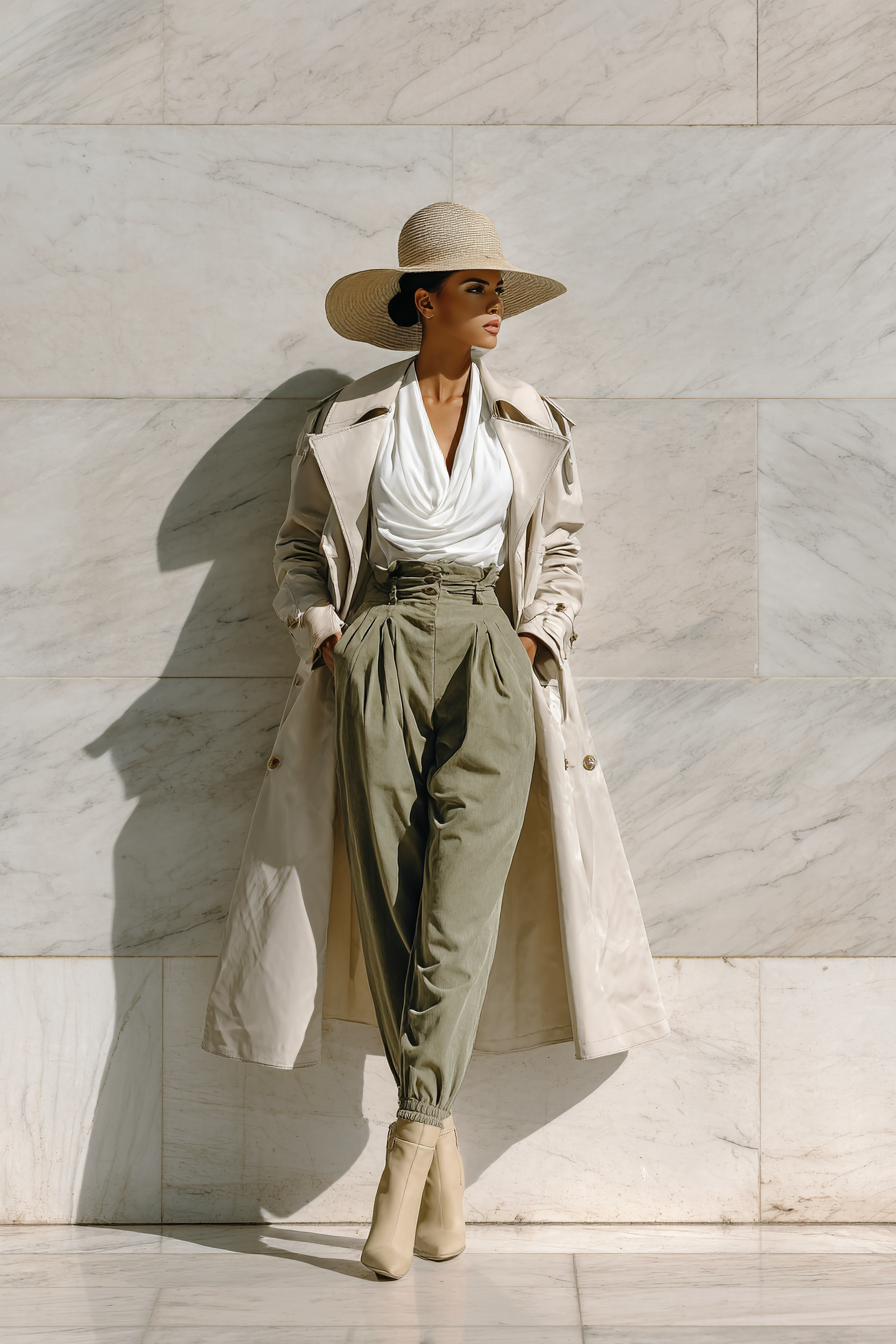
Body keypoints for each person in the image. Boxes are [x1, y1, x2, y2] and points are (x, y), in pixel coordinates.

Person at [202, 202, 669, 1280]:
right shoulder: (350, 417)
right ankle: (439, 1152)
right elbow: (299, 545)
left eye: (498, 289)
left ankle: (408, 1148)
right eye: (477, 289)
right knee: (390, 894)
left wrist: (537, 639)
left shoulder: (530, 416)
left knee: (460, 907)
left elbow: (561, 548)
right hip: (378, 645)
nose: (497, 307)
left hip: (492, 654)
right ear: (423, 301)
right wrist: (328, 636)